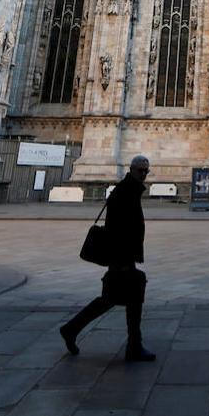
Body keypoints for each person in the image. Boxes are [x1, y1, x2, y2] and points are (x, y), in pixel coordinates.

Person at [59, 155, 156, 362]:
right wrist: (121, 261)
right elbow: (118, 229)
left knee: (116, 299)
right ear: (132, 170)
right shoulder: (125, 192)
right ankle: (133, 346)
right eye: (141, 170)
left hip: (123, 256)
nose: (144, 174)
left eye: (147, 171)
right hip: (121, 257)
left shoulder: (129, 190)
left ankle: (72, 329)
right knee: (127, 297)